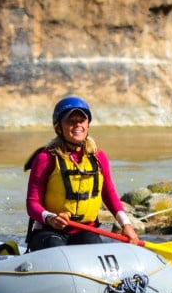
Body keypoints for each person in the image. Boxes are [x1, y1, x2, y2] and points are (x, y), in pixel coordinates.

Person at [23, 95, 142, 252]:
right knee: (57, 251)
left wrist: (126, 225)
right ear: (59, 127)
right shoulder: (46, 158)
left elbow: (109, 194)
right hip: (49, 231)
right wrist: (50, 218)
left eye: (82, 120)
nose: (78, 125)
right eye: (71, 121)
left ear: (88, 125)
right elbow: (32, 203)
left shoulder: (99, 157)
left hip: (86, 230)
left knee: (97, 253)